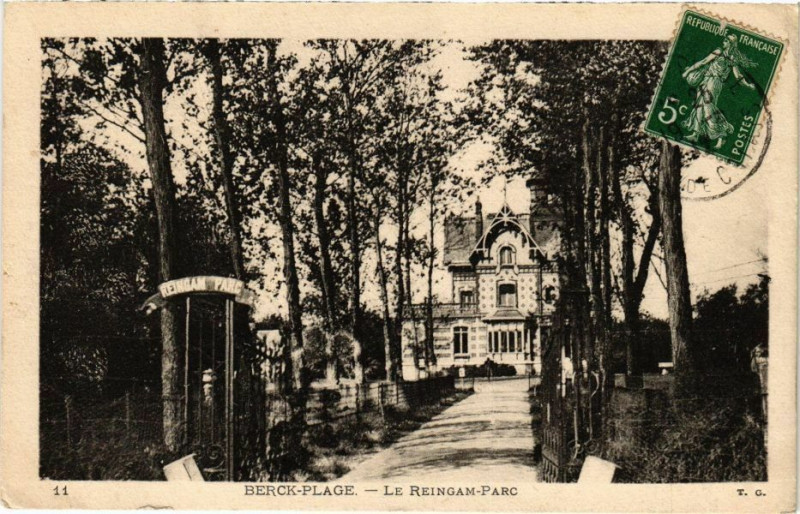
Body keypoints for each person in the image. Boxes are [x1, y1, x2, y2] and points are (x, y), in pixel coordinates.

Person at [681, 34, 758, 149]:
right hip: (706, 79)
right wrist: (689, 71)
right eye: (725, 39)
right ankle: (696, 134)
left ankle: (721, 135)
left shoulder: (732, 58)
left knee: (708, 108)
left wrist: (748, 85)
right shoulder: (718, 51)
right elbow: (704, 62)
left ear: (731, 44)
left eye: (727, 41)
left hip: (715, 82)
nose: (724, 42)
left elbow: (738, 76)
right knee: (699, 106)